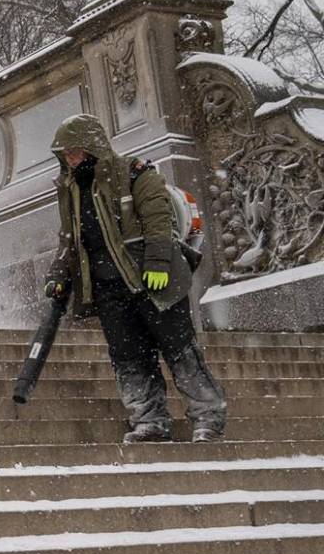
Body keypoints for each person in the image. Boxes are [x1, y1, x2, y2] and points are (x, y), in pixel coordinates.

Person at [43, 114, 226, 444]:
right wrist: (58, 274)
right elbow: (68, 238)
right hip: (107, 289)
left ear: (93, 147)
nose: (70, 158)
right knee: (129, 358)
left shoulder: (136, 172)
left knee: (180, 350)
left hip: (151, 281)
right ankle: (149, 420)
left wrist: (157, 262)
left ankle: (207, 417)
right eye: (65, 153)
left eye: (75, 151)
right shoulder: (68, 190)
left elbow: (158, 221)